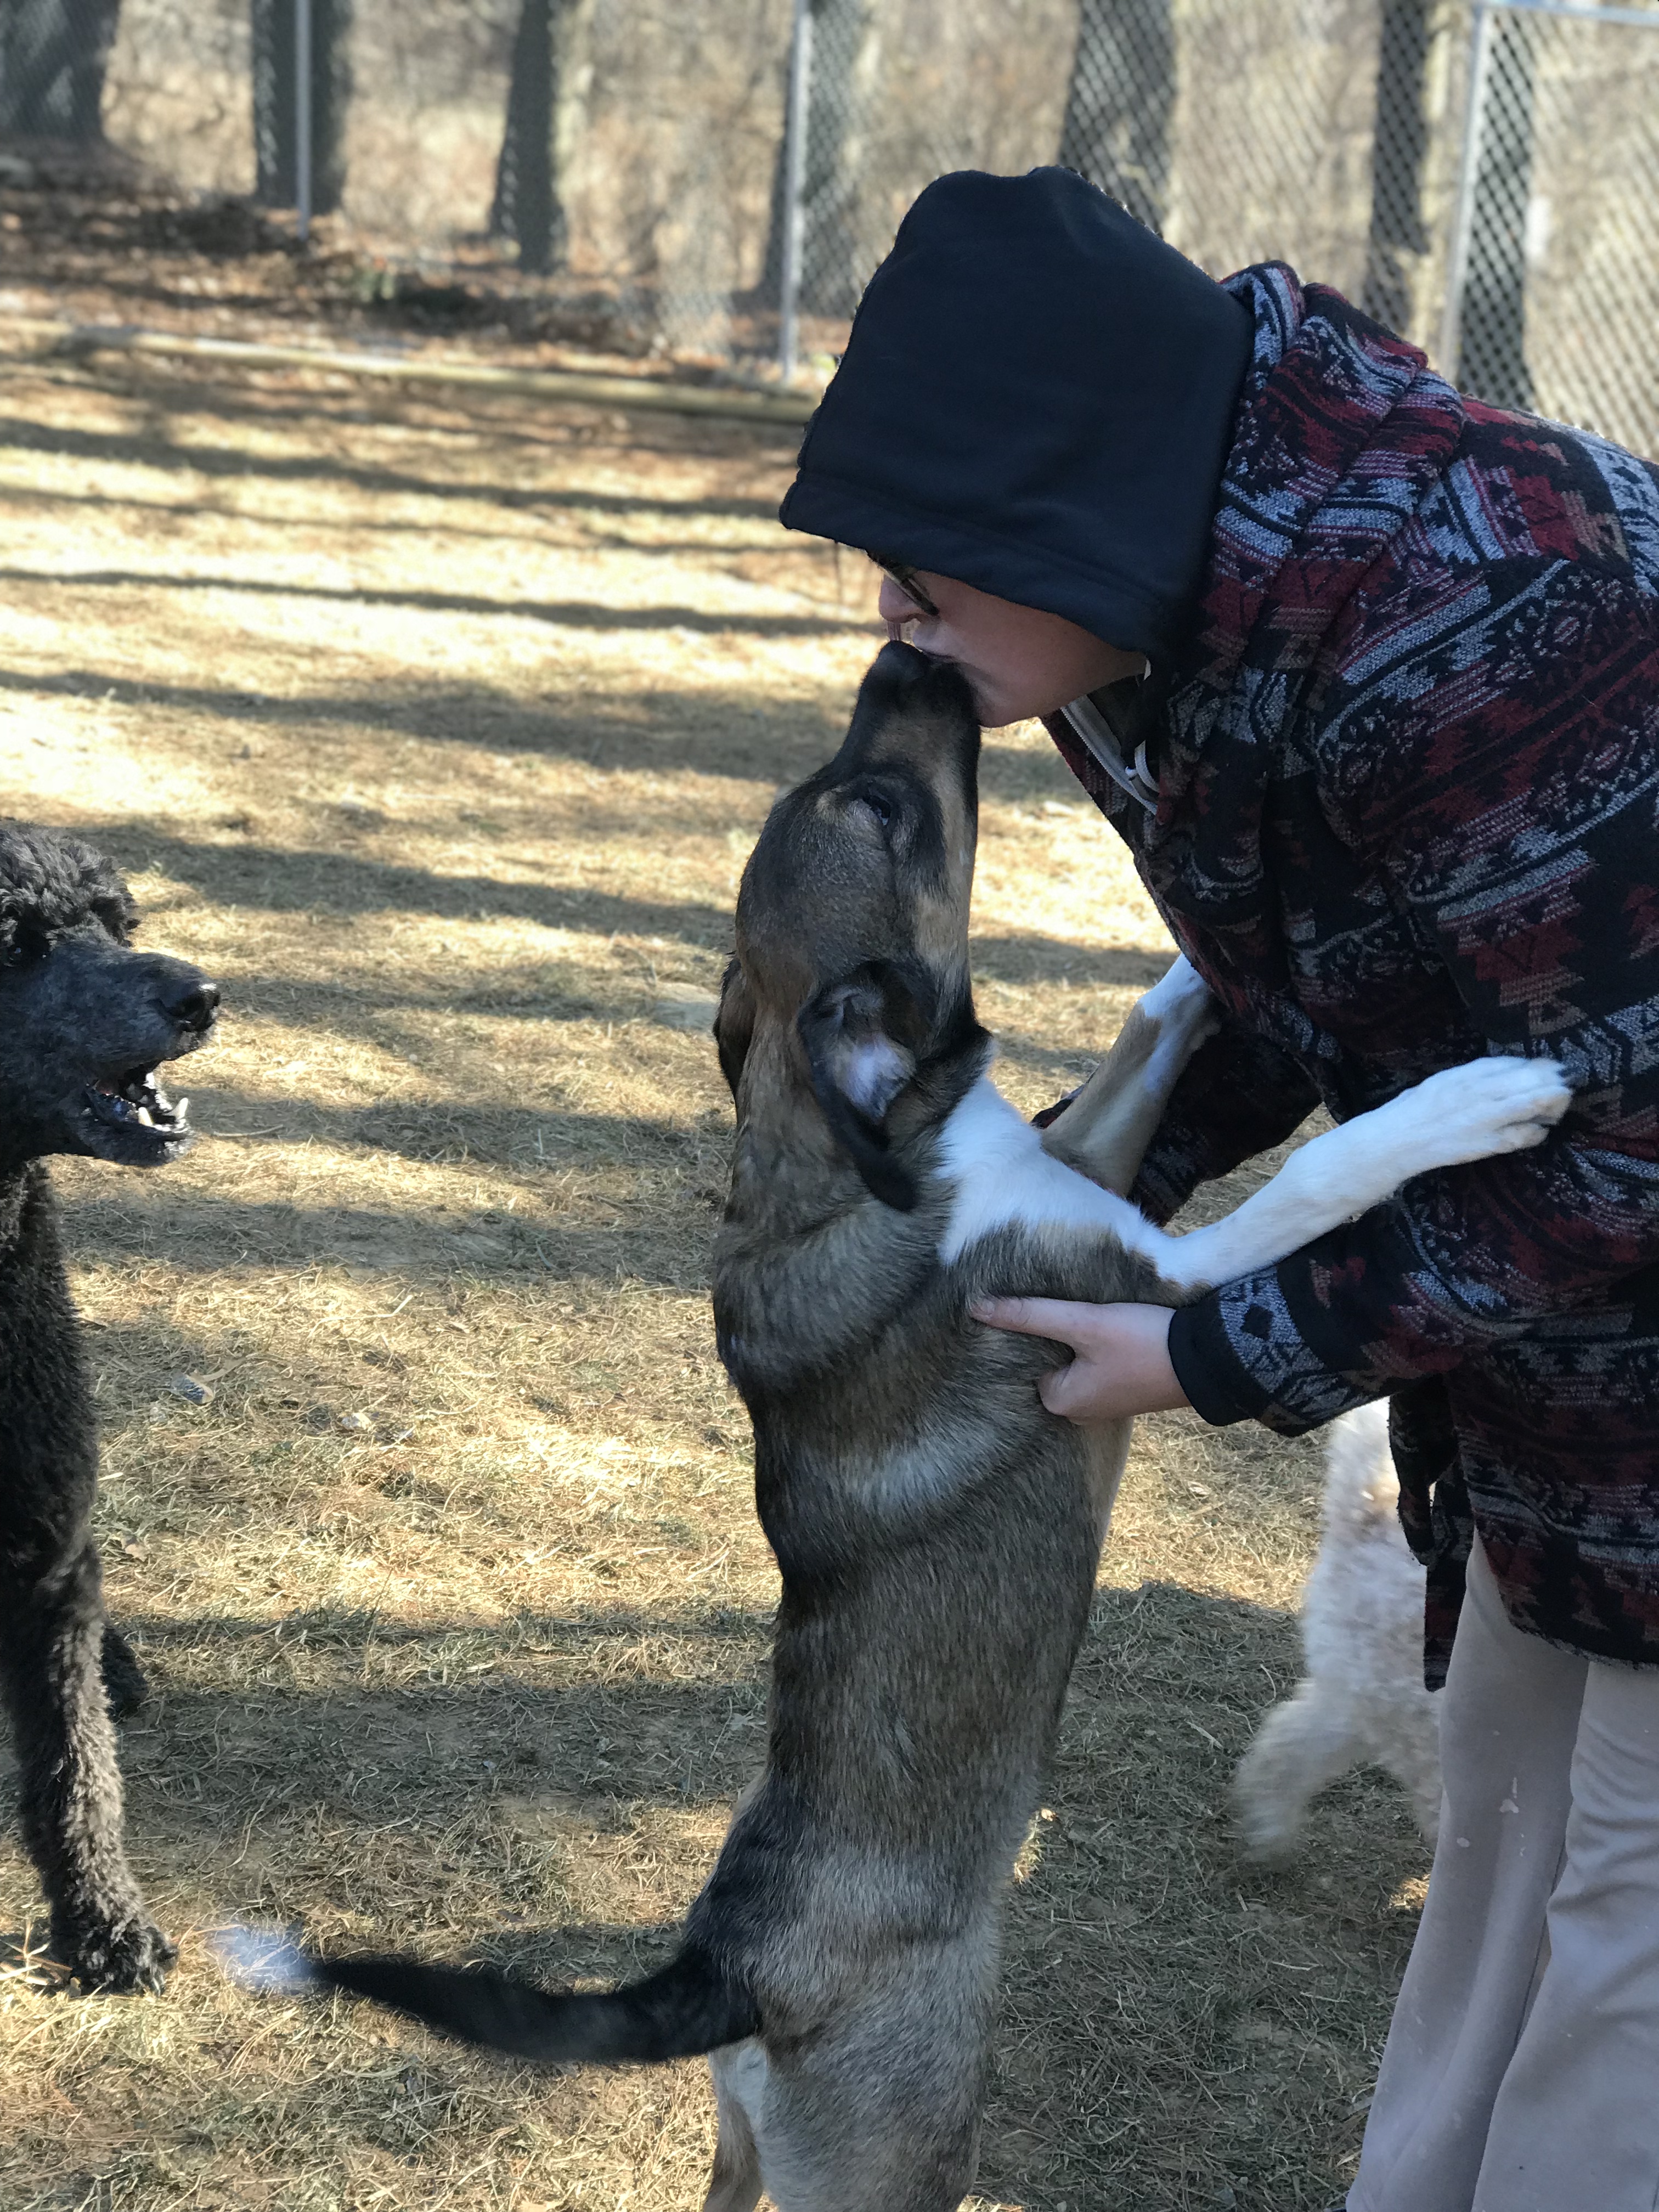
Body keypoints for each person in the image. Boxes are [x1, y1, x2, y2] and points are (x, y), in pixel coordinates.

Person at [776, 165, 1659, 2212]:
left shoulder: (1487, 615)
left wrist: (1222, 1351)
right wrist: (1073, 1202)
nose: (891, 621)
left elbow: (1631, 1122)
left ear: (1064, 505)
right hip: (1560, 1363)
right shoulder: (1137, 618)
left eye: (920, 571)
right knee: (1512, 1836)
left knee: (1630, 1948)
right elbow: (1332, 963)